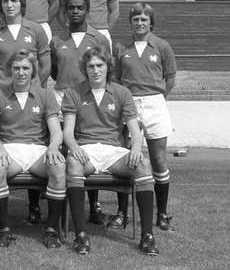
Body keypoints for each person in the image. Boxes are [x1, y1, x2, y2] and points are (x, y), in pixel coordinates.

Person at [62, 47, 159, 256]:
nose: (96, 70)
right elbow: (67, 132)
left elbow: (135, 129)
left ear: (108, 67)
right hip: (86, 149)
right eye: (91, 66)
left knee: (143, 164)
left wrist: (135, 148)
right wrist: (75, 147)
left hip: (113, 151)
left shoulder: (122, 92)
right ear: (85, 69)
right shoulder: (73, 92)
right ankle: (80, 235)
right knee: (72, 163)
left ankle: (147, 236)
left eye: (100, 65)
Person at [0, 50, 66, 248]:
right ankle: (3, 230)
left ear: (33, 71)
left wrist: (54, 147)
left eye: (25, 68)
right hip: (9, 149)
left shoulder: (46, 95)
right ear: (10, 70)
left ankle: (52, 230)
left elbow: (56, 131)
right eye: (16, 68)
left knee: (58, 166)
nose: (21, 72)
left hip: (37, 150)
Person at [113, 3, 177, 231]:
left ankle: (162, 213)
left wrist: (158, 98)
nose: (139, 23)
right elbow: (117, 79)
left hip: (155, 105)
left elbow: (170, 78)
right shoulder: (122, 48)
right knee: (126, 158)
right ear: (130, 23)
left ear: (151, 22)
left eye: (144, 19)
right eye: (135, 19)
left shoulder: (162, 46)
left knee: (158, 160)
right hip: (130, 105)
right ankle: (121, 213)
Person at [50, 0, 112, 224]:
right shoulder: (57, 39)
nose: (75, 11)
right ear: (66, 11)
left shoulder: (99, 38)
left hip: (88, 97)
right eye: (71, 8)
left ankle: (93, 205)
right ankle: (59, 200)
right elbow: (55, 71)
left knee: (88, 147)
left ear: (87, 10)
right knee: (61, 148)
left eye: (80, 8)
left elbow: (106, 69)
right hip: (61, 97)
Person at [0, 0, 50, 90]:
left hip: (30, 93)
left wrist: (34, 85)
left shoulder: (37, 30)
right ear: (1, 5)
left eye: (14, 1)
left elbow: (45, 65)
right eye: (5, 1)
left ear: (21, 4)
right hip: (1, 93)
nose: (9, 5)